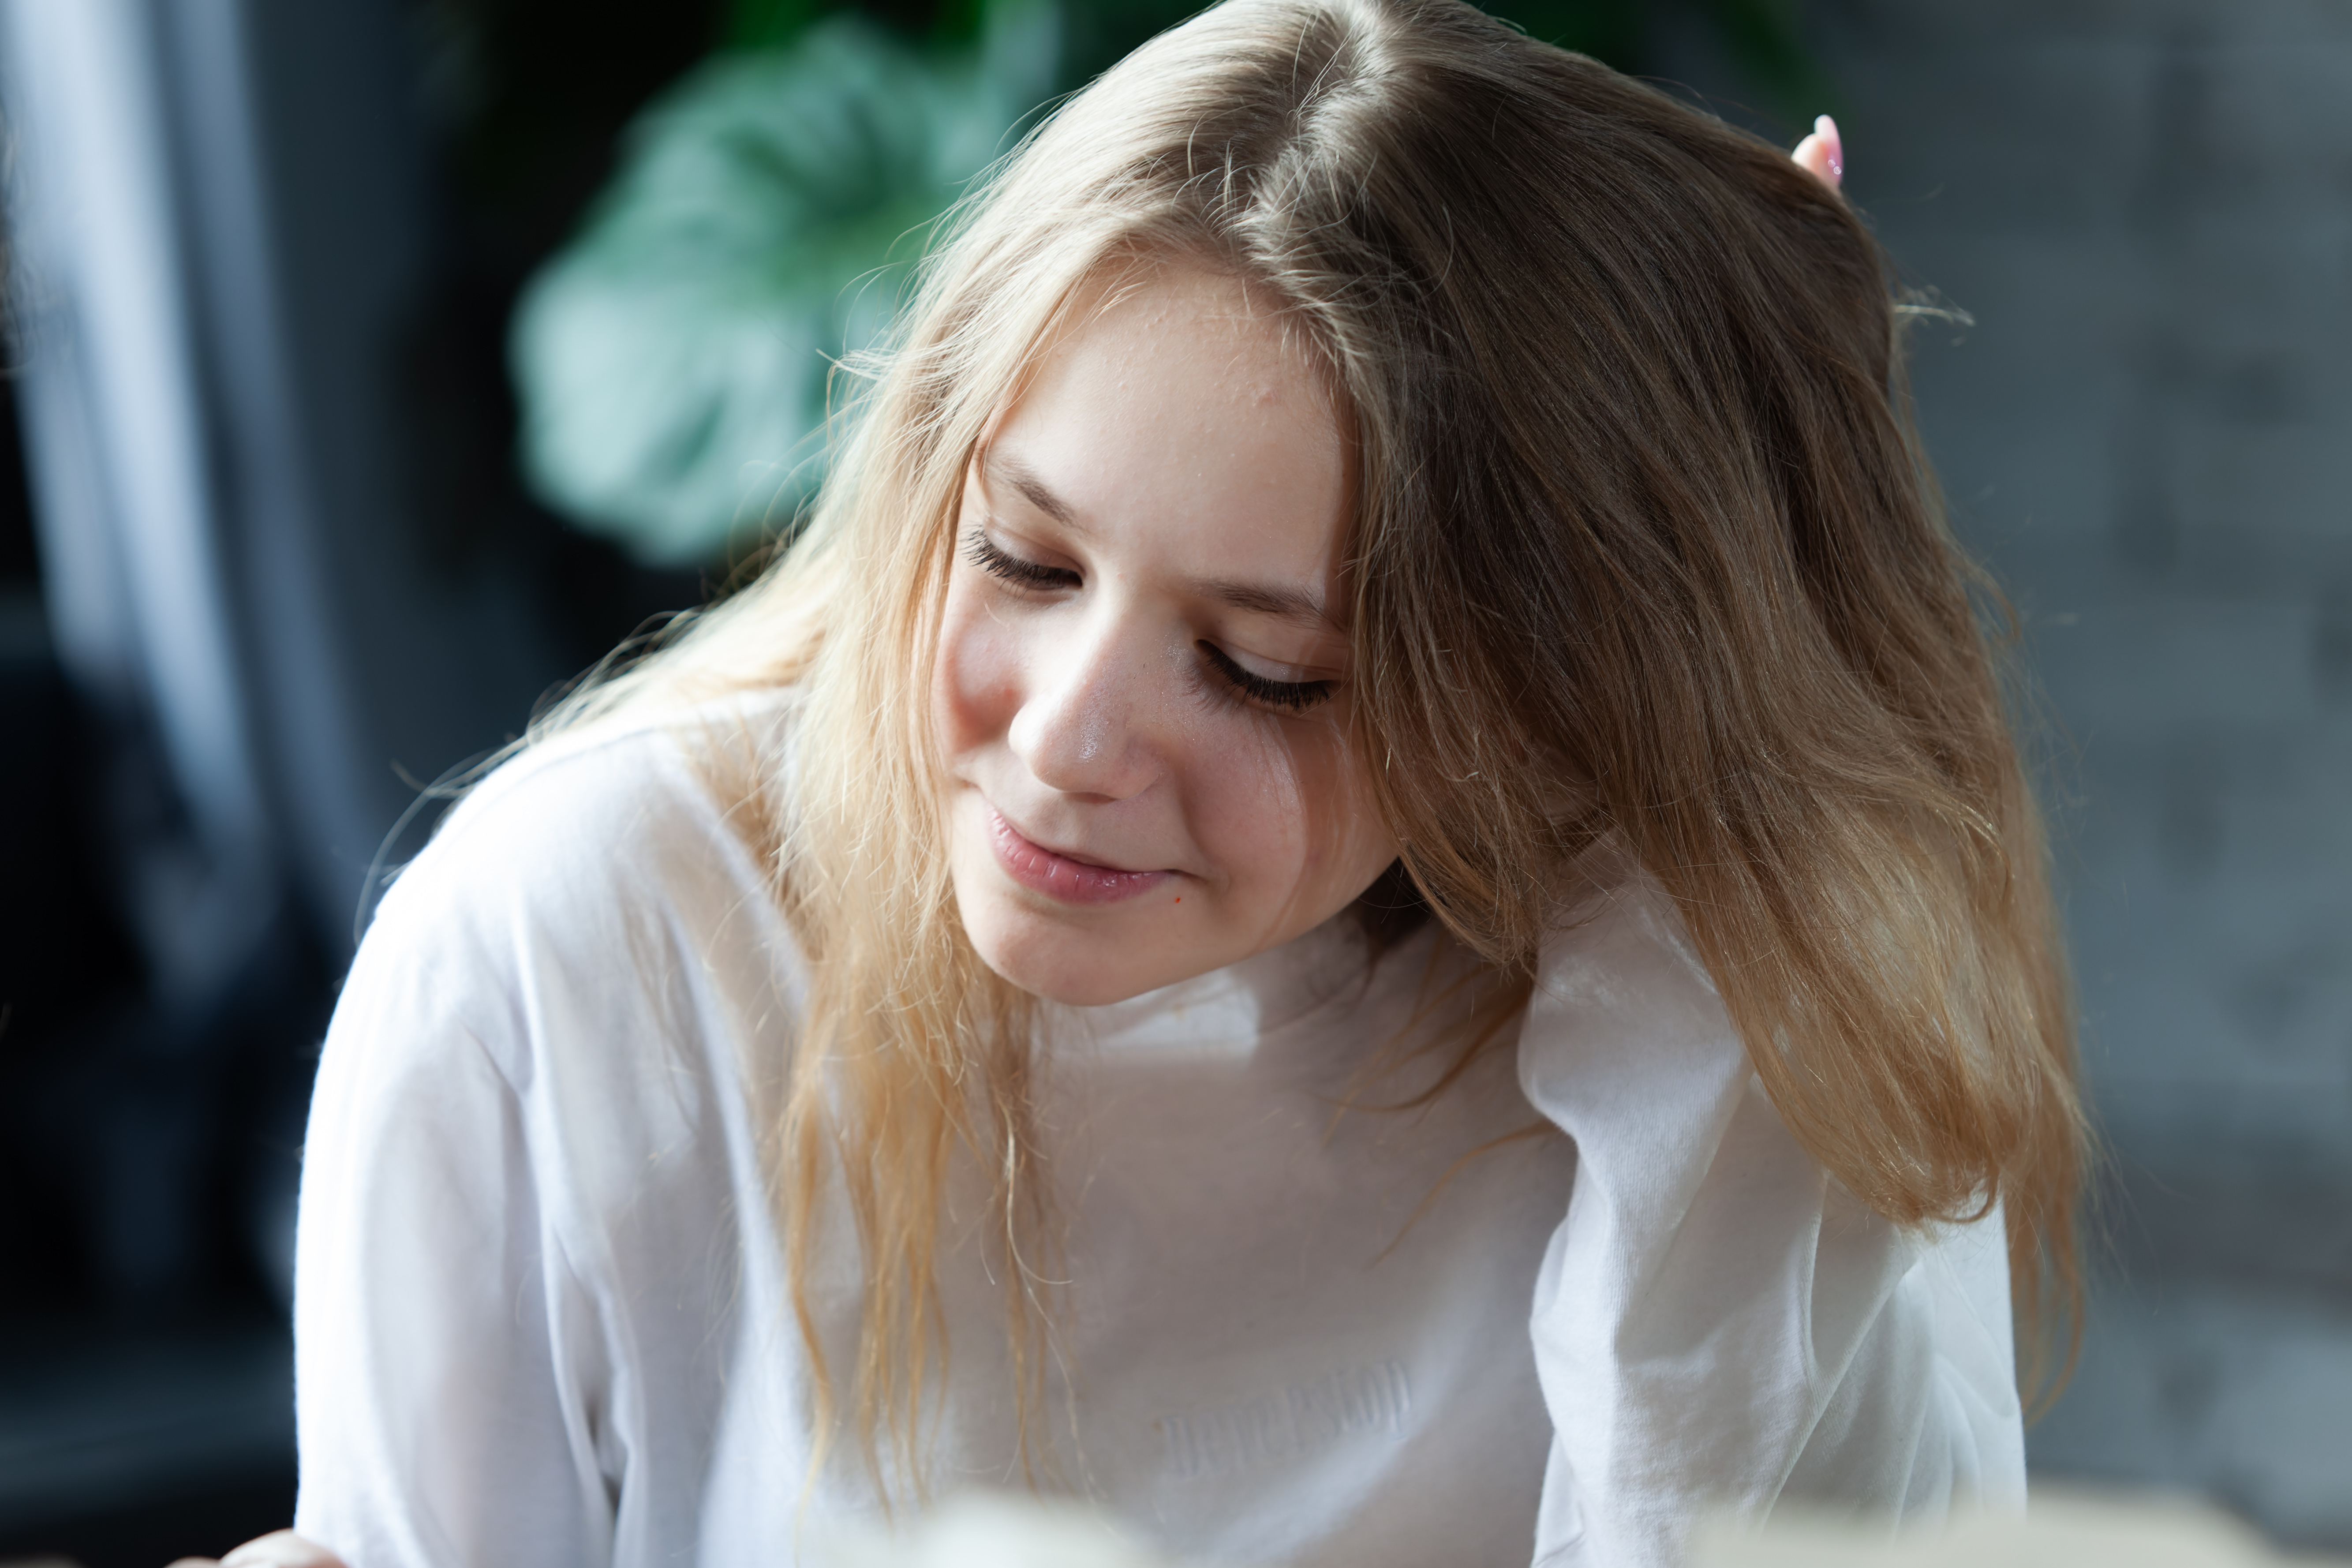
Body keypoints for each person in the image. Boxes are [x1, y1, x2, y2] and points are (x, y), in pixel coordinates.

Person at [184, 1, 2084, 1563]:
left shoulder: (1740, 982)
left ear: (1538, 698)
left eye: (1266, 670)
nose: (1063, 742)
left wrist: (1711, 829)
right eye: (1021, 558)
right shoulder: (582, 944)